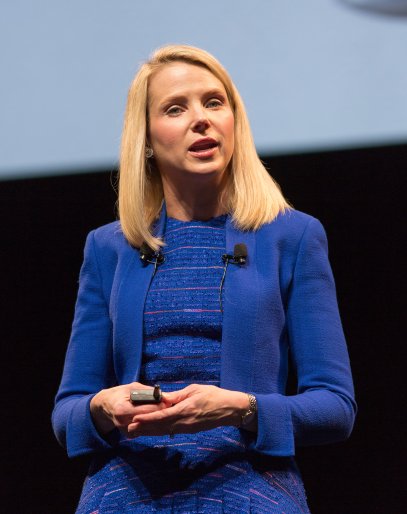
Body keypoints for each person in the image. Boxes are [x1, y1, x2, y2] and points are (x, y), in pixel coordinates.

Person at [52, 45, 356, 513]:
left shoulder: (292, 236)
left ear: (235, 120)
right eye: (176, 108)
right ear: (147, 139)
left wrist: (240, 408)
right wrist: (103, 407)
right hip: (123, 495)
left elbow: (335, 408)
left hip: (250, 490)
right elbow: (67, 411)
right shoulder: (108, 248)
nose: (201, 119)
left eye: (215, 102)